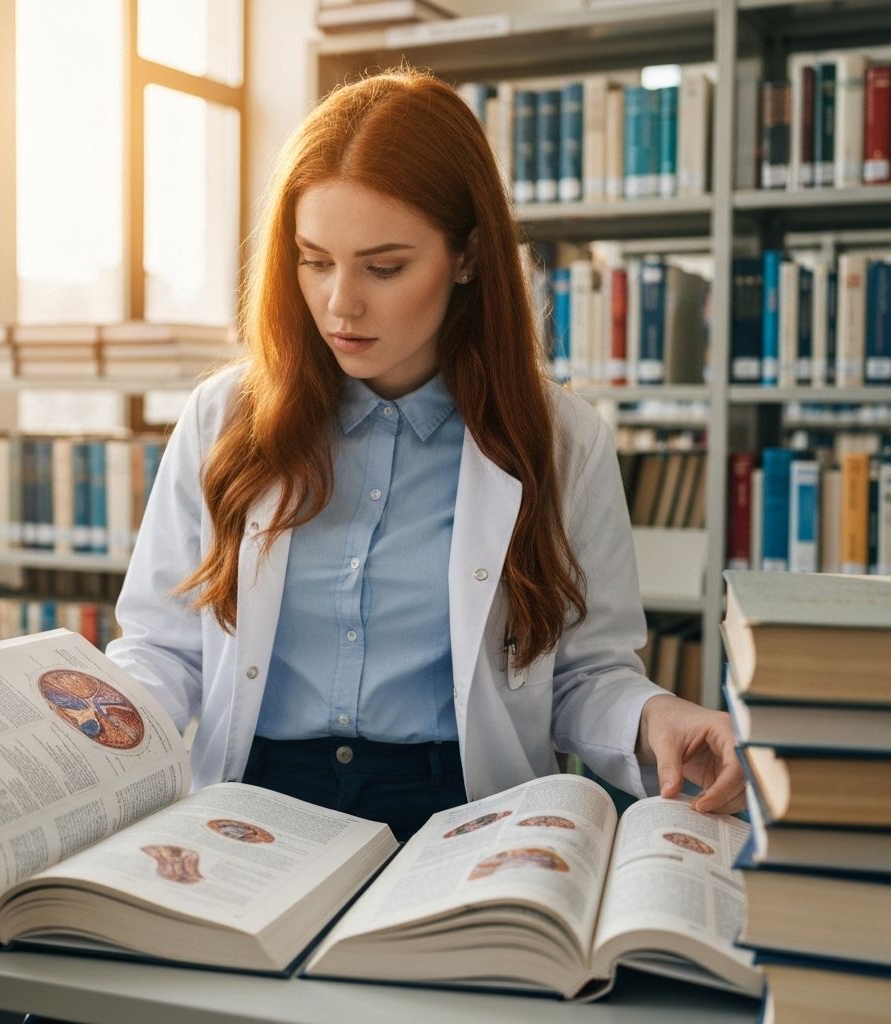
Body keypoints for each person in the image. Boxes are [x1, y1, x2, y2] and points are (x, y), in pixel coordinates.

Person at [104, 67, 745, 845]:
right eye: (314, 260)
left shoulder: (562, 440)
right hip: (256, 802)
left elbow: (583, 673)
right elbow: (163, 648)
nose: (340, 303)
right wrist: (80, 738)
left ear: (468, 256)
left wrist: (654, 715)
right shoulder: (223, 418)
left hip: (461, 813)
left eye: (384, 267)